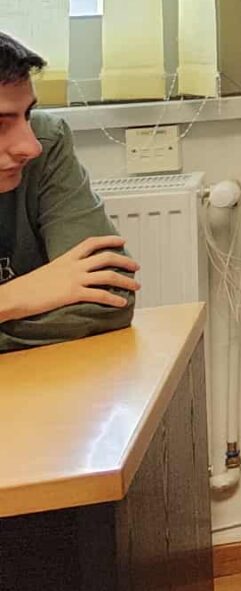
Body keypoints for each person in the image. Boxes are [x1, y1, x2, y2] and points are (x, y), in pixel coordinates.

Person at [0, 33, 138, 352]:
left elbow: (108, 299)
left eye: (27, 114)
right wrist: (13, 298)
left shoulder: (48, 142)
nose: (30, 147)